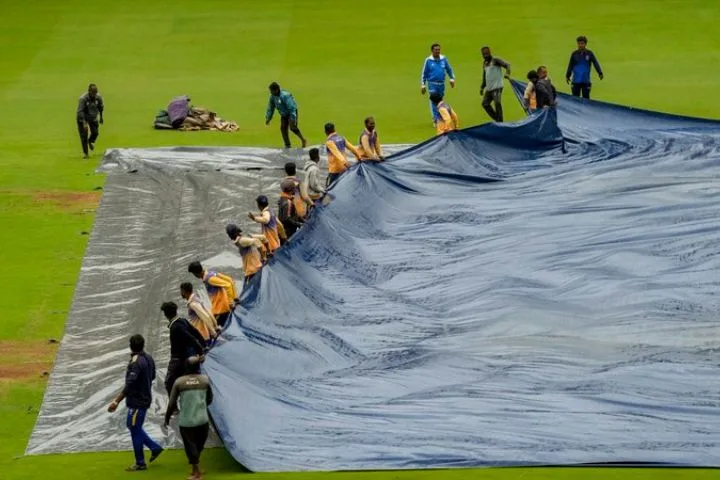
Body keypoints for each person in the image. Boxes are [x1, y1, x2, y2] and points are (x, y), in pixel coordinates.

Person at [107, 334, 163, 472]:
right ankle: (154, 447)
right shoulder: (148, 358)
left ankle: (140, 462)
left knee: (134, 429)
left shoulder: (136, 363)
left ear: (130, 346)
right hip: (144, 397)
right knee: (132, 426)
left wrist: (116, 401)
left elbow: (130, 384)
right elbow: (153, 375)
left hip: (137, 402)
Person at [165, 356, 213, 480]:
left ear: (186, 366)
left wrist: (167, 418)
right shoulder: (205, 380)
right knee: (198, 446)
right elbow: (210, 399)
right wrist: (201, 406)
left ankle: (196, 474)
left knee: (191, 447)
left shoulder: (179, 382)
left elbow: (171, 403)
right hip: (202, 420)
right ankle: (195, 470)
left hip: (187, 421)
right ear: (198, 367)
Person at [160, 301, 207, 395]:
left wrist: (201, 352)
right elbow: (196, 332)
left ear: (166, 315)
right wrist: (204, 346)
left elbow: (192, 338)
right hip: (189, 356)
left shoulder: (175, 327)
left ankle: (174, 407)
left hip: (179, 358)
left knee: (169, 382)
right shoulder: (183, 320)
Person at [187, 261, 237, 329]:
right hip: (220, 308)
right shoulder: (211, 273)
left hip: (220, 310)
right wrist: (235, 297)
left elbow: (227, 285)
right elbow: (230, 280)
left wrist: (231, 302)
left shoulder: (209, 279)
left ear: (195, 273)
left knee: (215, 328)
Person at [420, 43, 456, 124]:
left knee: (440, 102)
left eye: (438, 49)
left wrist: (452, 78)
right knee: (433, 101)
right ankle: (436, 120)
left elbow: (449, 69)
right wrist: (423, 84)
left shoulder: (444, 59)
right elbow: (424, 73)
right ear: (432, 50)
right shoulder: (428, 60)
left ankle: (440, 117)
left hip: (441, 84)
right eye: (435, 50)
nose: (437, 51)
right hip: (432, 84)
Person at [265, 82, 307, 148]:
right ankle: (287, 145)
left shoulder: (285, 96)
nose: (270, 92)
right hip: (283, 114)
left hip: (291, 112)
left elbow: (292, 107)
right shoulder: (272, 97)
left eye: (271, 91)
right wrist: (268, 118)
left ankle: (303, 139)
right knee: (283, 128)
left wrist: (293, 117)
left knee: (292, 127)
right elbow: (271, 107)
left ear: (276, 90)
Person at [324, 122, 361, 187]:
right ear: (334, 129)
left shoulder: (329, 142)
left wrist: (345, 163)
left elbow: (337, 153)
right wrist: (359, 157)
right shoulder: (342, 138)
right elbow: (352, 148)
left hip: (335, 170)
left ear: (326, 132)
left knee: (329, 188)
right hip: (344, 169)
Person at [480, 46, 511, 122]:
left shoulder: (495, 60)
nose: (485, 56)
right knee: (485, 103)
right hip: (489, 88)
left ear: (490, 52)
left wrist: (507, 73)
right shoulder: (485, 63)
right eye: (484, 54)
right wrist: (482, 87)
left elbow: (507, 65)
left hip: (497, 87)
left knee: (497, 102)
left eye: (486, 54)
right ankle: (497, 119)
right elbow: (485, 76)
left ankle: (500, 121)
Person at [76, 83, 104, 158]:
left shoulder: (98, 97)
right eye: (93, 93)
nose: (94, 95)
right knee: (84, 135)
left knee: (95, 132)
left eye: (95, 93)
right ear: (89, 91)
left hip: (92, 116)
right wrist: (84, 123)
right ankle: (86, 153)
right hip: (83, 117)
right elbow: (80, 112)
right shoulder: (83, 99)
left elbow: (101, 107)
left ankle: (90, 141)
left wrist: (101, 117)